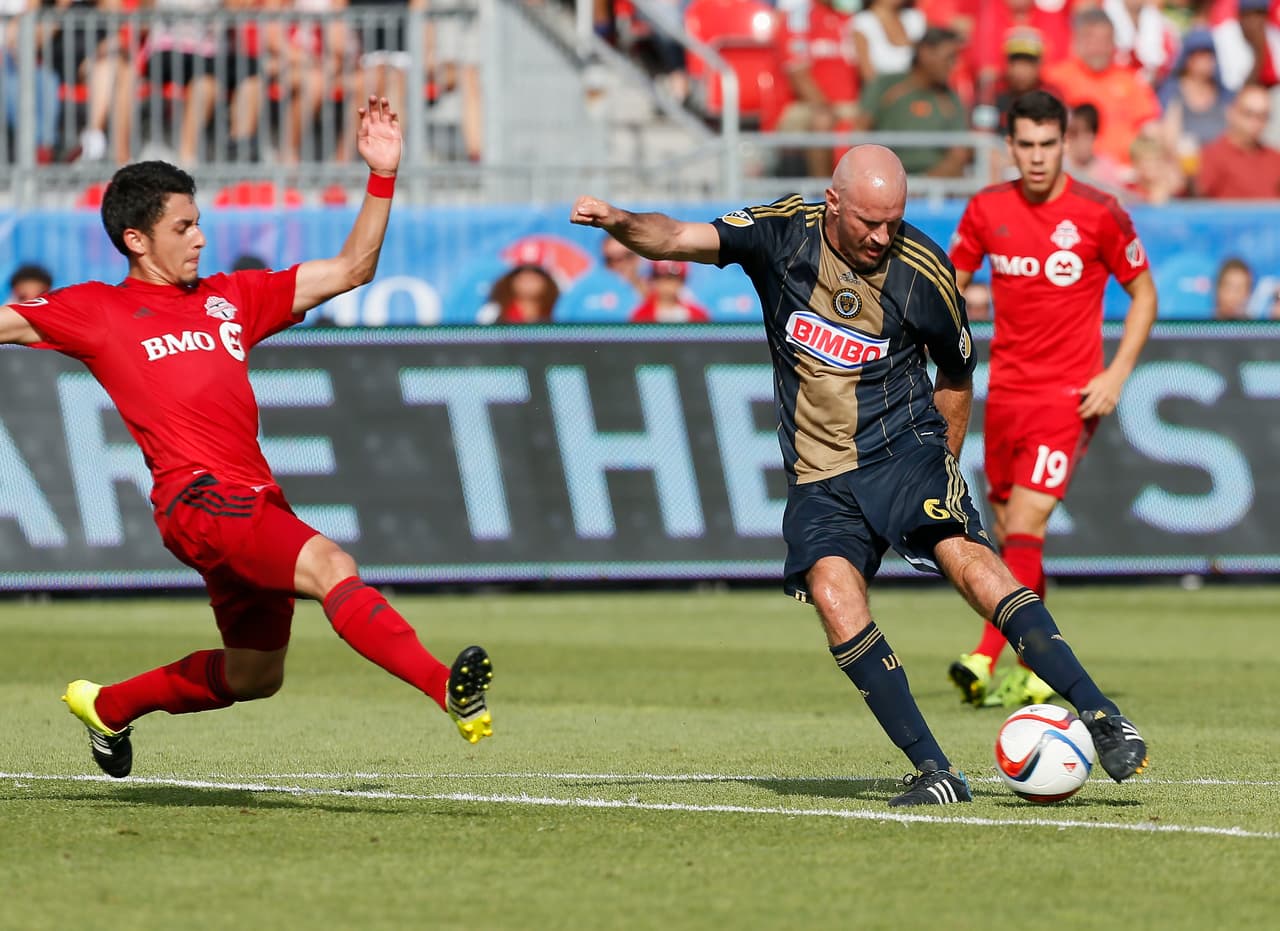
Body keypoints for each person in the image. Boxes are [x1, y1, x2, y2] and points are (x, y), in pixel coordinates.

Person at [569, 144, 1150, 807]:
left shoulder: (924, 269)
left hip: (904, 449)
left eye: (892, 222)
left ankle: (1102, 713)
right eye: (869, 222)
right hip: (819, 472)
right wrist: (619, 221)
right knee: (832, 591)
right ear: (834, 202)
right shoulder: (783, 234)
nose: (881, 236)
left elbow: (956, 372)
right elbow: (675, 237)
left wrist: (942, 463)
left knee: (968, 559)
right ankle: (936, 770)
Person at [0, 96, 494, 779]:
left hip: (250, 498)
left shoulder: (232, 297)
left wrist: (382, 174)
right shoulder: (97, 309)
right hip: (197, 500)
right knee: (331, 566)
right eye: (183, 227)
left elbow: (352, 269)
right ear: (137, 240)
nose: (200, 238)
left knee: (255, 674)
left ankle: (108, 705)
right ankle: (446, 688)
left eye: (199, 222)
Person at [948, 90, 1157, 709]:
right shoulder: (987, 209)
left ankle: (986, 656)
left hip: (1068, 396)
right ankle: (1031, 663)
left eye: (1047, 144)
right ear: (1009, 147)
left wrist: (1116, 374)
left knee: (1027, 522)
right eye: (1026, 145)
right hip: (1005, 392)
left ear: (1065, 143)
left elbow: (1144, 294)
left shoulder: (1099, 212)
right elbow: (951, 283)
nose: (1037, 157)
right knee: (1008, 530)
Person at [856, 26, 971, 177]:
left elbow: (958, 154)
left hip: (936, 186)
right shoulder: (885, 85)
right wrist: (886, 179)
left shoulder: (951, 98)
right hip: (885, 178)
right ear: (926, 53)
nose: (953, 65)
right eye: (949, 57)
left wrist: (924, 183)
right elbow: (860, 133)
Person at [1196, 83, 1280, 198]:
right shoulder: (1212, 156)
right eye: (1248, 114)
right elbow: (1194, 200)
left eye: (1263, 116)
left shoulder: (1274, 158)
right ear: (1232, 112)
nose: (1256, 122)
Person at [628, 260, 710, 323]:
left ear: (681, 281)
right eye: (660, 277)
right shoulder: (641, 315)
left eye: (671, 278)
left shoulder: (697, 315)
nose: (666, 284)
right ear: (653, 280)